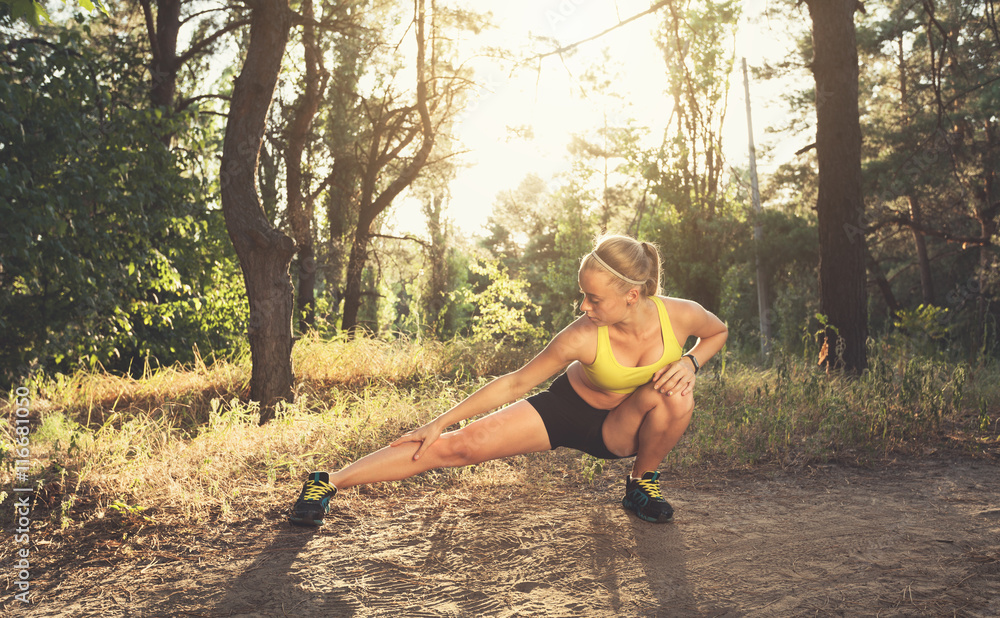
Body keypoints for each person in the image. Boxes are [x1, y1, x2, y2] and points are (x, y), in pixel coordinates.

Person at [289, 234, 728, 526]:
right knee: (460, 447)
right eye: (583, 295)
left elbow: (718, 331)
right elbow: (516, 383)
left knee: (674, 392)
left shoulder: (681, 314)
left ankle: (640, 484)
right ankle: (328, 482)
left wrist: (690, 362)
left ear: (632, 295)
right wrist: (440, 423)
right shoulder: (581, 336)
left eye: (593, 298)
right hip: (567, 411)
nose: (583, 306)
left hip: (624, 428)